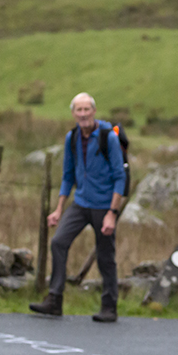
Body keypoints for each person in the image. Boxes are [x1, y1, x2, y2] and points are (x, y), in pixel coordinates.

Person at [29, 92, 126, 323]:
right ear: (73, 113)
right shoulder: (71, 137)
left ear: (93, 111)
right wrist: (58, 209)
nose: (83, 114)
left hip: (104, 205)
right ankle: (54, 300)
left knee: (105, 256)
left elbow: (119, 177)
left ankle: (109, 307)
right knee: (58, 242)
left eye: (86, 109)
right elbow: (67, 175)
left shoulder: (107, 137)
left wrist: (112, 214)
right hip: (80, 203)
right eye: (78, 110)